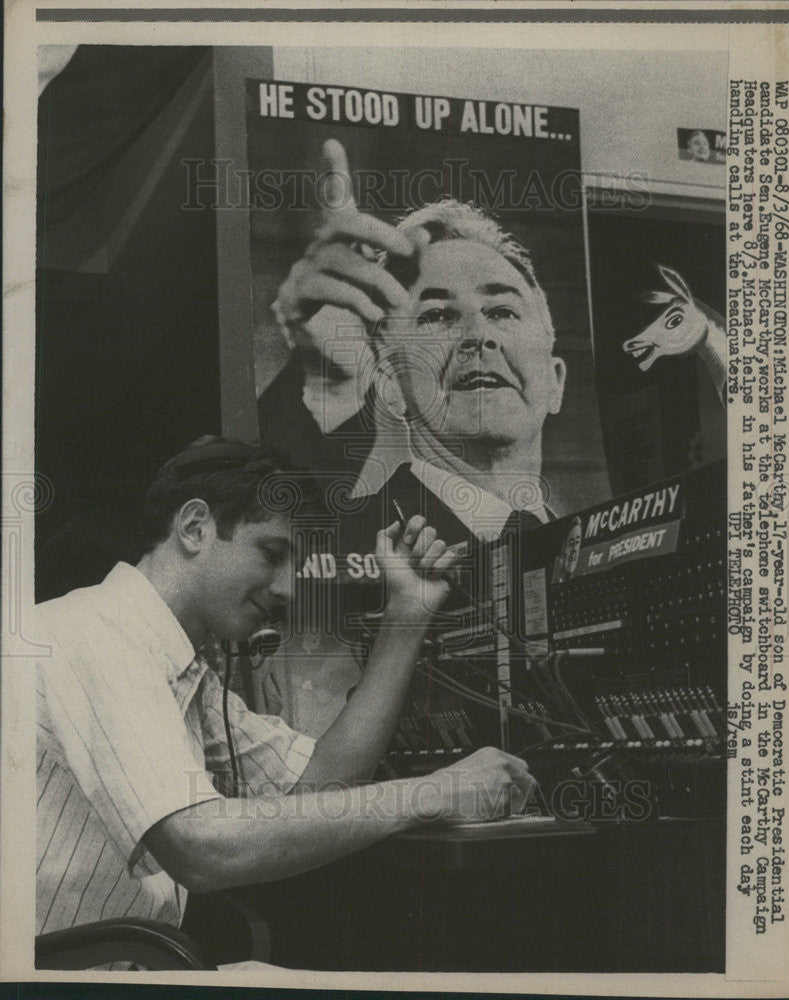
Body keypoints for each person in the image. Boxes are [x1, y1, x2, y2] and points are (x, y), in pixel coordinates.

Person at [35, 436, 536, 938]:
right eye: (272, 553)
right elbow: (200, 848)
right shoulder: (97, 631)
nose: (288, 588)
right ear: (194, 527)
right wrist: (435, 792)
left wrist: (408, 611)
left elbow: (318, 780)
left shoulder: (179, 669)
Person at [267, 139, 565, 552]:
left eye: (502, 311)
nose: (478, 335)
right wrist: (326, 386)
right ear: (391, 385)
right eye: (438, 315)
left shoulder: (596, 544)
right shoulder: (339, 542)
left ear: (556, 382)